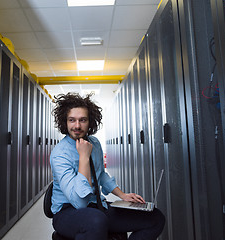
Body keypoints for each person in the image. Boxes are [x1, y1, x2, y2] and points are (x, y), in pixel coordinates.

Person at [50, 92, 165, 240]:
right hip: (67, 212)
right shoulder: (60, 154)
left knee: (155, 218)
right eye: (72, 120)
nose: (77, 126)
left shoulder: (95, 143)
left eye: (82, 120)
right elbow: (79, 202)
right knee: (96, 221)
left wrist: (122, 195)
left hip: (97, 207)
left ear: (90, 122)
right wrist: (83, 157)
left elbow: (101, 175)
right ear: (65, 122)